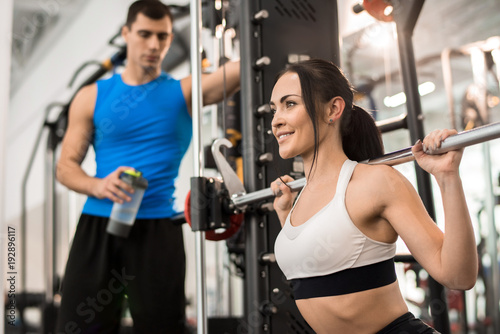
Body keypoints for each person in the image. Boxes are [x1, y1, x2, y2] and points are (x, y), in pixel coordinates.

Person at [55, 1, 240, 333]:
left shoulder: (184, 91)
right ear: (126, 33)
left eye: (163, 36)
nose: (154, 45)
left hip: (158, 230)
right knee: (81, 326)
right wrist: (99, 185)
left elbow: (245, 67)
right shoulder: (91, 96)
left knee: (163, 327)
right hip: (99, 224)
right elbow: (65, 167)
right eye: (144, 34)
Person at [269, 59, 477, 334]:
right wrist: (287, 216)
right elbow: (318, 265)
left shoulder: (375, 182)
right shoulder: (299, 200)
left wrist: (448, 177)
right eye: (274, 109)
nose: (276, 120)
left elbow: (458, 276)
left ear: (333, 109)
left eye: (290, 104)